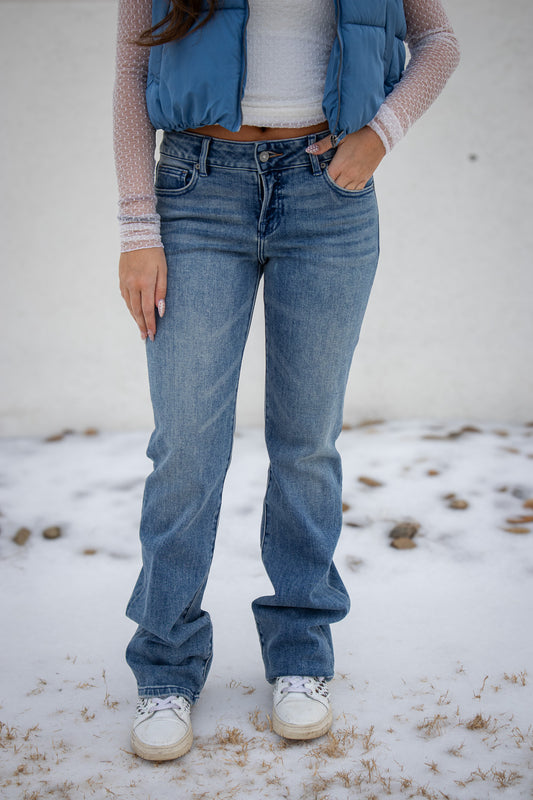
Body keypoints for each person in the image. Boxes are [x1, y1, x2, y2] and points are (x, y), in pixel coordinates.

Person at [113, 0, 460, 761]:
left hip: (327, 197)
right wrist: (139, 229)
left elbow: (437, 40)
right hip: (194, 194)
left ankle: (300, 655)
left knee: (306, 442)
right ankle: (166, 665)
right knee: (187, 449)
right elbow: (131, 71)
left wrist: (379, 135)